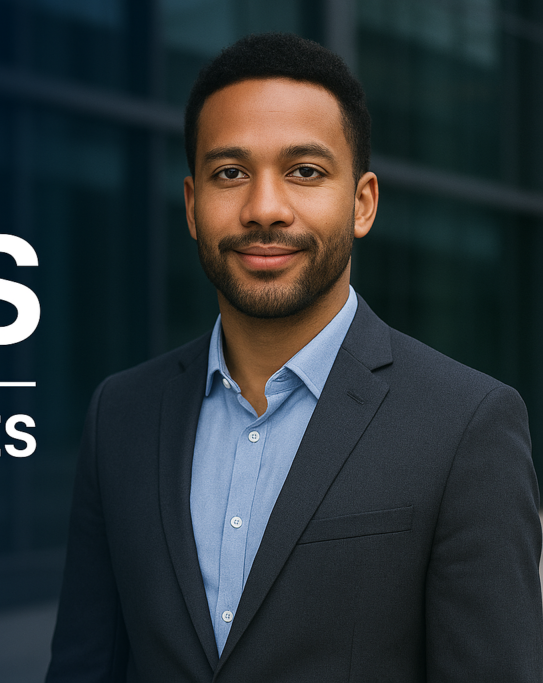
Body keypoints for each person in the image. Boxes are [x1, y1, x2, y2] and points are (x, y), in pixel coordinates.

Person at [45, 33, 542, 683]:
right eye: (231, 173)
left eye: (304, 171)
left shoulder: (468, 425)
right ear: (193, 206)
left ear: (362, 202)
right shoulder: (121, 413)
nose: (264, 209)